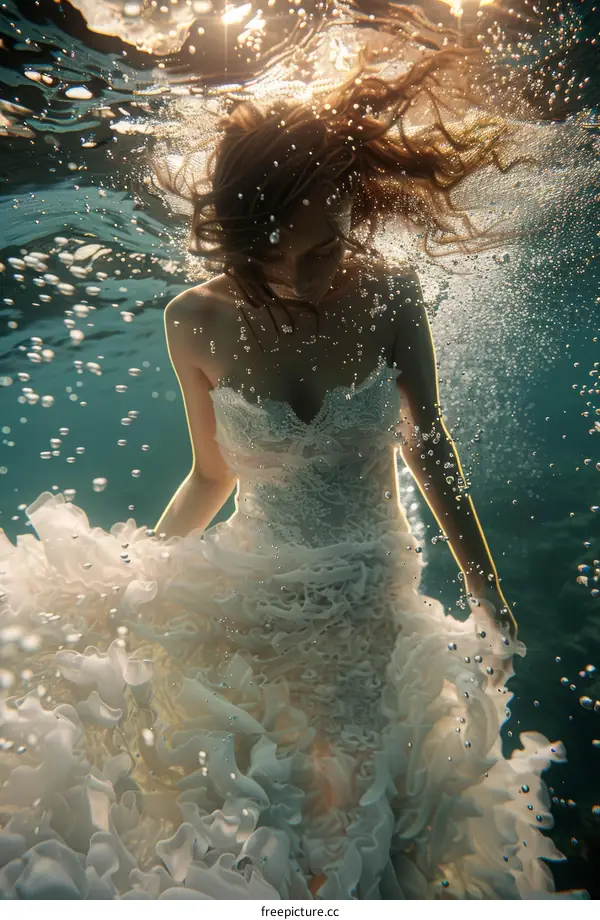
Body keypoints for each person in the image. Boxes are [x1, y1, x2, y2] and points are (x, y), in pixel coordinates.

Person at [0, 43, 584, 901]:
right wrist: (138, 578)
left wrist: (486, 587)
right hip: (253, 598)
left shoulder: (391, 294)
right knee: (252, 818)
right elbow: (211, 476)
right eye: (269, 263)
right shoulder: (192, 321)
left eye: (318, 252)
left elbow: (430, 448)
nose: (296, 282)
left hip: (372, 600)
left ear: (349, 206)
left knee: (370, 826)